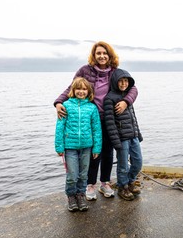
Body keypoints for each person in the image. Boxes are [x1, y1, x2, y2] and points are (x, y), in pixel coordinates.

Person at [54, 41, 138, 200]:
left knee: (107, 152)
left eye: (105, 53)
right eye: (98, 53)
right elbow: (72, 87)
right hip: (91, 117)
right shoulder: (85, 71)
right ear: (94, 55)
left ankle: (105, 183)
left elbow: (132, 88)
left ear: (109, 55)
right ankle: (90, 184)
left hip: (110, 118)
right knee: (93, 153)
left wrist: (126, 101)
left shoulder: (115, 72)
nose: (102, 56)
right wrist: (58, 102)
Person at [55, 77, 102, 211]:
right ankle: (71, 196)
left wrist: (97, 148)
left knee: (83, 174)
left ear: (88, 91)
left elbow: (96, 129)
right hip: (70, 147)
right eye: (78, 89)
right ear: (73, 90)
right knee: (72, 175)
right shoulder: (66, 105)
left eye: (84, 89)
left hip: (87, 147)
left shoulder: (92, 108)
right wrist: (59, 146)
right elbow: (60, 127)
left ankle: (80, 195)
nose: (81, 91)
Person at [104, 68, 143, 201]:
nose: (123, 83)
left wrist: (138, 134)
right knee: (123, 166)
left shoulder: (128, 98)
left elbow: (133, 118)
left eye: (126, 81)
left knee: (138, 162)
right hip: (121, 139)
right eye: (121, 81)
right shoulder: (109, 98)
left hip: (133, 136)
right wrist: (116, 142)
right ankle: (123, 187)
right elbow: (110, 123)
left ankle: (130, 181)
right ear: (115, 82)